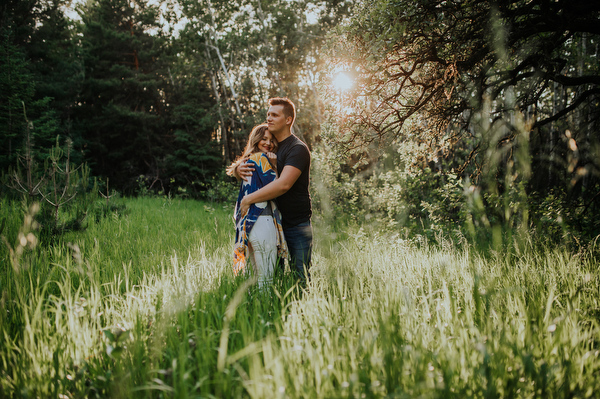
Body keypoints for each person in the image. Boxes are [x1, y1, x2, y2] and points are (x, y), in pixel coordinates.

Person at [235, 97, 312, 283]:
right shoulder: (269, 146)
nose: (269, 118)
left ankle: (301, 311)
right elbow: (253, 168)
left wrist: (248, 200)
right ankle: (273, 311)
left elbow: (283, 185)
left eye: (274, 115)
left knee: (299, 277)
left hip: (295, 224)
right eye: (268, 114)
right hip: (270, 222)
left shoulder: (297, 149)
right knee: (272, 276)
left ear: (288, 120)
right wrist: (239, 168)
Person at [227, 124, 287, 288]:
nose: (268, 143)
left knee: (254, 277)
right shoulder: (261, 158)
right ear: (256, 139)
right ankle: (266, 312)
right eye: (264, 139)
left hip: (249, 223)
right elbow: (277, 187)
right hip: (263, 221)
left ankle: (252, 310)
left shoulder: (248, 159)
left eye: (271, 140)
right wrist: (274, 165)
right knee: (266, 280)